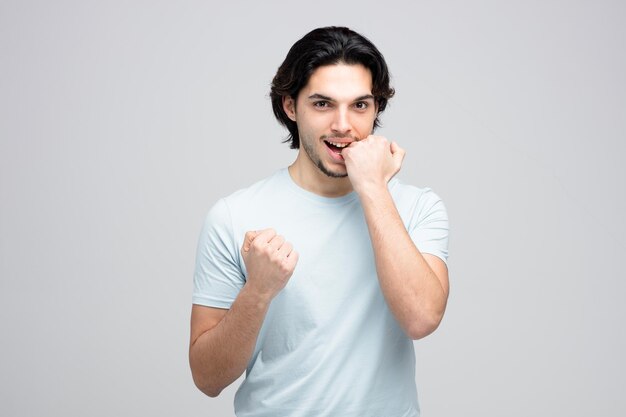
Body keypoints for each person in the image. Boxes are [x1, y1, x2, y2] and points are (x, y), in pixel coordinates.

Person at [189, 26, 450, 417]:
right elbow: (207, 379)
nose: (343, 125)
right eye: (323, 104)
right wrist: (258, 292)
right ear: (291, 107)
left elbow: (422, 318)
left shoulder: (418, 207)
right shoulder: (233, 216)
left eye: (360, 105)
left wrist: (374, 190)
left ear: (376, 109)